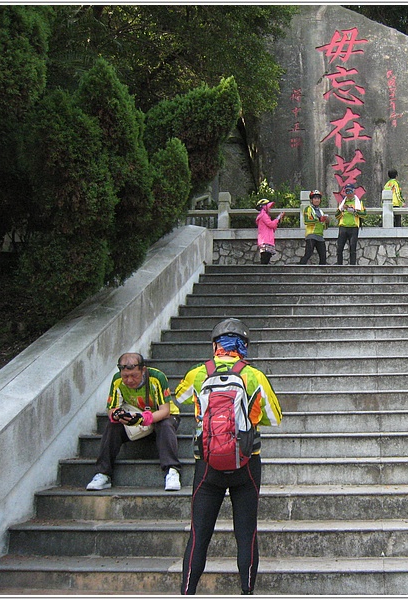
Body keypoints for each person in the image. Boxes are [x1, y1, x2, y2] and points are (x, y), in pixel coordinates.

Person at [176, 318, 283, 596]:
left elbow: (179, 398)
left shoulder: (198, 373)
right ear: (243, 347)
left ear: (215, 346)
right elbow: (275, 417)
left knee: (198, 536)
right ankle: (247, 592)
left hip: (207, 464)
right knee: (246, 535)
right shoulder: (254, 376)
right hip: (246, 464)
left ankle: (187, 592)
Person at [86, 352, 182, 492]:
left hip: (160, 418)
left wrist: (144, 419)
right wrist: (118, 415)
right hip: (134, 420)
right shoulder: (117, 380)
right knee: (112, 425)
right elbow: (111, 409)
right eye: (125, 376)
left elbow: (165, 410)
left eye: (134, 376)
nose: (129, 380)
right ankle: (103, 473)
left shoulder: (157, 377)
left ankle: (172, 470)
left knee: (165, 424)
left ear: (143, 370)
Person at [335, 183, 366, 265]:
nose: (348, 194)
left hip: (353, 227)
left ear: (354, 191)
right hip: (343, 227)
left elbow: (364, 215)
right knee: (339, 248)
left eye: (350, 191)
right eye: (347, 192)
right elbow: (336, 216)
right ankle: (339, 266)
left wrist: (354, 211)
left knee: (353, 249)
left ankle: (352, 267)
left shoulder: (358, 203)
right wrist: (341, 209)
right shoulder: (342, 202)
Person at [300, 189, 329, 265]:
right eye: (315, 198)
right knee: (308, 254)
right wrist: (319, 219)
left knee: (323, 257)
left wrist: (327, 222)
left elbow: (324, 227)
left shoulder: (321, 211)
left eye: (318, 198)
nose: (317, 200)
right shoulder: (308, 209)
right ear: (311, 200)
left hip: (320, 235)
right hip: (311, 235)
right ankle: (299, 269)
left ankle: (321, 275)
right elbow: (306, 221)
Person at [255, 198, 285, 264]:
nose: (269, 209)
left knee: (266, 258)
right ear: (263, 207)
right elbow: (271, 224)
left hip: (266, 240)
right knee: (265, 258)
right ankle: (262, 273)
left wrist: (278, 220)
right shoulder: (263, 215)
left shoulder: (264, 216)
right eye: (268, 207)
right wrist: (278, 218)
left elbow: (273, 226)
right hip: (265, 240)